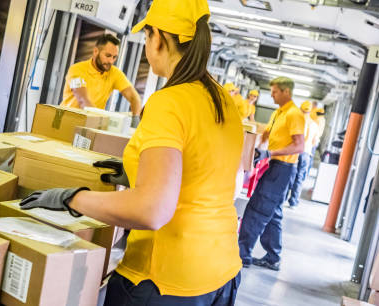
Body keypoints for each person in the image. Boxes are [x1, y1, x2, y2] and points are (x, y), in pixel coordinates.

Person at [20, 0, 244, 304]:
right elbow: (212, 172)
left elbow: (151, 210)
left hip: (166, 280)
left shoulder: (170, 101)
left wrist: (71, 198)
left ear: (160, 39)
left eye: (147, 37)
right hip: (221, 272)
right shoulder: (223, 101)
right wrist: (139, 169)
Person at [238, 77, 305, 271]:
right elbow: (266, 134)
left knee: (257, 209)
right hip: (274, 164)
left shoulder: (294, 114)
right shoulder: (279, 113)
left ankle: (242, 254)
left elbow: (299, 145)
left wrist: (270, 153)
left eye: (275, 92)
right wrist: (254, 151)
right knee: (273, 213)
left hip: (282, 168)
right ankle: (273, 256)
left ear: (286, 92)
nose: (272, 95)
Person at [60, 34, 143, 127]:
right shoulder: (76, 70)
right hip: (67, 122)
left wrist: (135, 121)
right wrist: (99, 122)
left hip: (92, 124)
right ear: (95, 51)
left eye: (114, 57)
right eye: (108, 55)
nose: (111, 61)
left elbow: (134, 98)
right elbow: (83, 100)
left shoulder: (114, 73)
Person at [286, 101, 319, 209]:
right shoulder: (314, 124)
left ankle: (283, 197)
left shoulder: (297, 122)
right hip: (306, 153)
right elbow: (314, 142)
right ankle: (293, 202)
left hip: (294, 152)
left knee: (288, 174)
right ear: (310, 111)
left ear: (300, 109)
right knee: (299, 177)